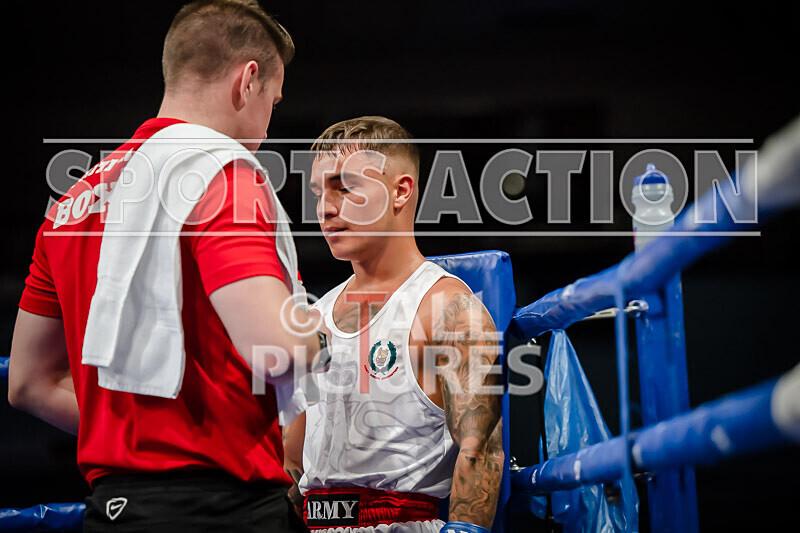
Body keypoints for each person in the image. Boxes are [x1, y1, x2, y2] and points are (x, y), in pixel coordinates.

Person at [8, 1, 326, 531]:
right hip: (223, 510)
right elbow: (277, 350)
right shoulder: (222, 177)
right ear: (248, 82)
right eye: (273, 101)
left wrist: (145, 436)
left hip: (113, 510)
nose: (268, 127)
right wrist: (327, 333)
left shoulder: (71, 205)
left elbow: (27, 384)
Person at [282, 117, 504, 533]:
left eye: (344, 188)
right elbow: (291, 461)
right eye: (318, 192)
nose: (325, 208)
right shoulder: (314, 318)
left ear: (400, 191)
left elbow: (482, 449)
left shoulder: (446, 309)